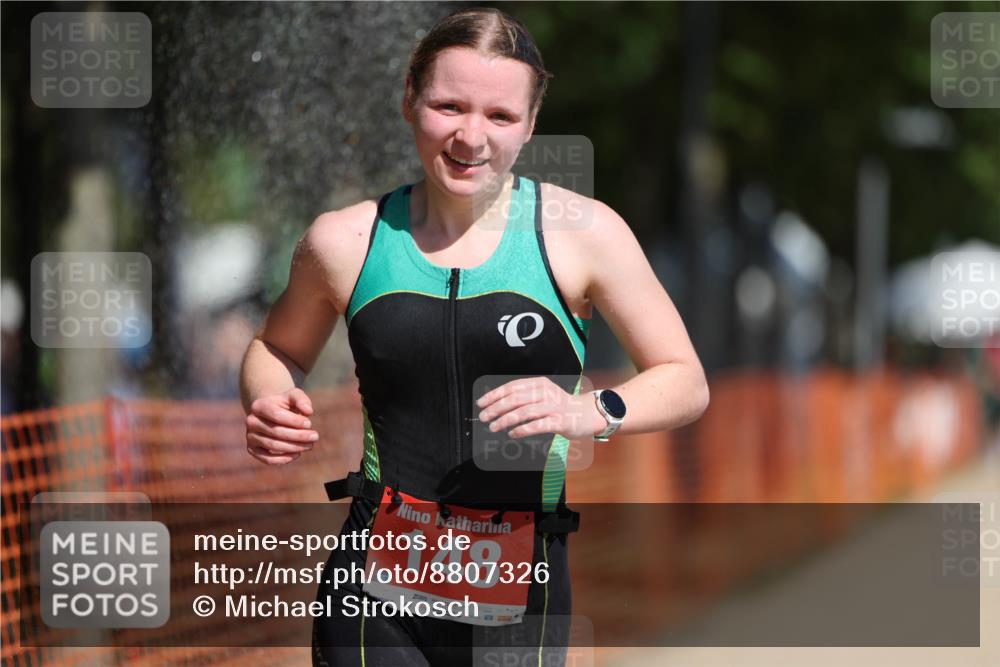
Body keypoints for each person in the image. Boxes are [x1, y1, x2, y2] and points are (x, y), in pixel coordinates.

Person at [240, 7, 709, 666]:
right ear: (409, 98)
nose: (470, 136)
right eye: (449, 106)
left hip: (518, 591)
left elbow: (684, 377)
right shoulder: (344, 241)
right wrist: (266, 397)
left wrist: (589, 410)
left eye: (499, 116)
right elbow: (277, 349)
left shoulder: (584, 234)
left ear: (531, 123)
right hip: (374, 585)